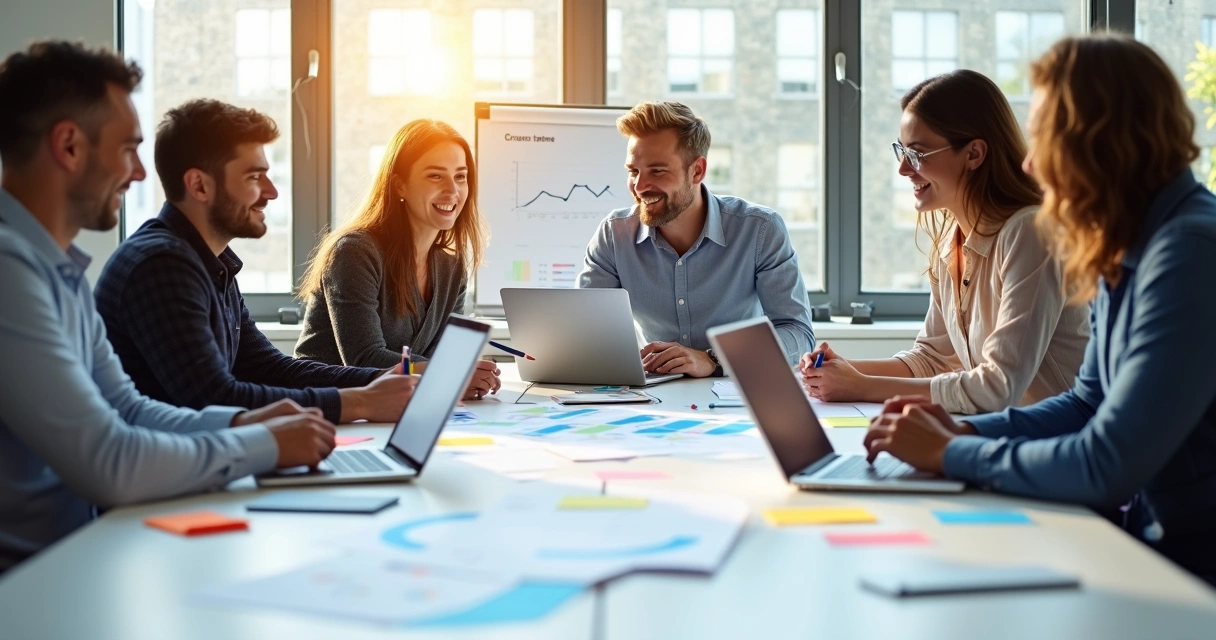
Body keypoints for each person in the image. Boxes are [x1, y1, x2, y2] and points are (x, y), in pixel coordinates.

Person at [864, 34, 1216, 587]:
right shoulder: (1133, 246)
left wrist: (955, 452)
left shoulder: (1191, 252)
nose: (1029, 161)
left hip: (1190, 569)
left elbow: (1108, 462)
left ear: (1098, 143)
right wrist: (955, 429)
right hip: (1154, 543)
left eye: (1044, 137)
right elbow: (1086, 404)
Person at [0, 41, 337, 572]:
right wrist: (263, 444)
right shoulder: (9, 271)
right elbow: (109, 458)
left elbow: (128, 410)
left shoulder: (57, 270)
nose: (138, 173)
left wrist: (243, 427)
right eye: (127, 149)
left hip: (72, 556)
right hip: (30, 581)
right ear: (69, 146)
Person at [94, 100, 418, 424]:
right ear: (199, 185)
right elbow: (215, 399)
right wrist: (361, 403)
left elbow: (268, 369)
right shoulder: (161, 266)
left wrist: (379, 381)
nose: (272, 192)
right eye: (254, 177)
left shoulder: (209, 263)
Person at [799, 70, 1088, 415]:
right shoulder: (951, 240)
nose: (904, 169)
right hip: (1003, 434)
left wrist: (860, 385)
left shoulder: (1030, 233)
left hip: (1058, 440)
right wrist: (844, 370)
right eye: (901, 151)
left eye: (918, 154)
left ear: (974, 154)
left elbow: (998, 387)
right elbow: (932, 358)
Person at [578, 101, 815, 377]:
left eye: (657, 171)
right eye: (633, 171)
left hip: (737, 394)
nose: (640, 187)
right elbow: (585, 333)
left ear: (697, 171)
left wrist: (713, 359)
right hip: (651, 397)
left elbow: (798, 335)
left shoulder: (760, 230)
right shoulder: (613, 235)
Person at [294, 120, 500, 400]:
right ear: (400, 185)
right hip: (326, 408)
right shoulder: (354, 252)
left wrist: (467, 375)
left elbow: (441, 357)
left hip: (395, 408)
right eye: (435, 176)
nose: (453, 190)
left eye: (460, 176)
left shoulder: (452, 268)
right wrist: (450, 373)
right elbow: (364, 358)